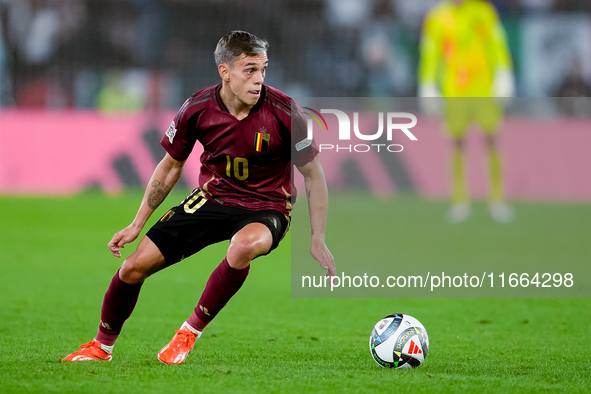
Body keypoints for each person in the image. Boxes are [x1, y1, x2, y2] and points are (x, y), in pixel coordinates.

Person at [62, 31, 335, 364]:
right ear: (225, 71)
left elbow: (314, 175)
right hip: (212, 199)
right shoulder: (197, 108)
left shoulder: (284, 111)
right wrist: (136, 224)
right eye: (249, 70)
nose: (259, 80)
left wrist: (317, 237)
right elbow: (169, 168)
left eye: (263, 70)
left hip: (266, 206)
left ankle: (187, 333)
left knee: (243, 247)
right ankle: (100, 347)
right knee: (132, 268)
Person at [418, 0, 515, 223]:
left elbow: (497, 43)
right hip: (454, 89)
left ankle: (498, 199)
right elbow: (430, 52)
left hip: (484, 87)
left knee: (492, 138)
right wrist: (428, 83)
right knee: (456, 142)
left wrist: (503, 73)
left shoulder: (483, 11)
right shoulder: (437, 17)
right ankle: (460, 200)